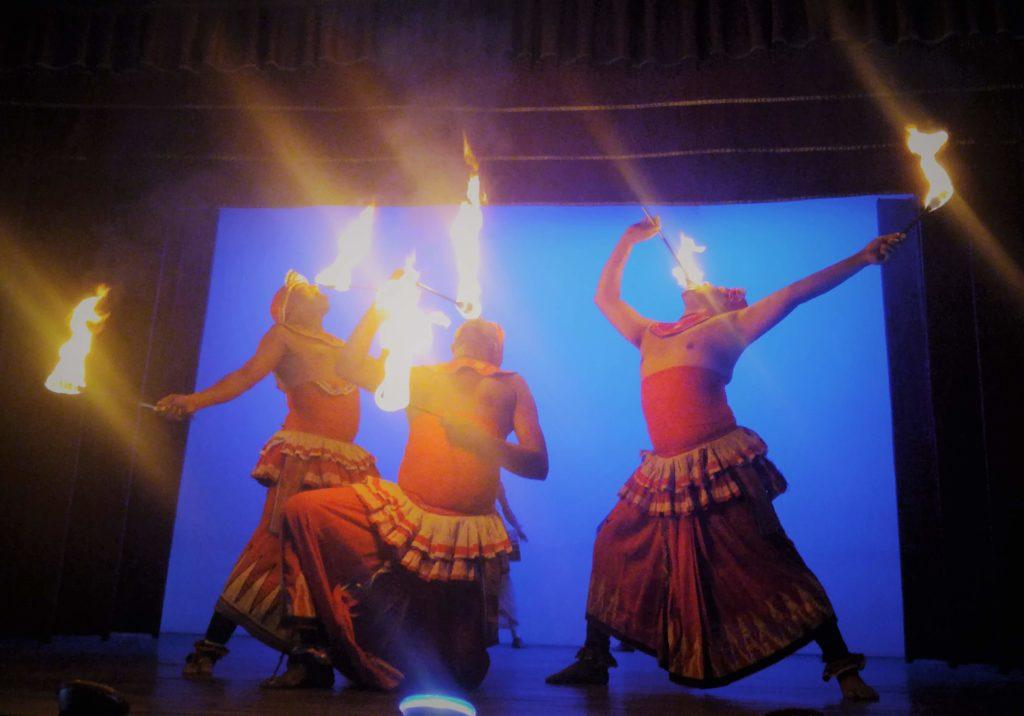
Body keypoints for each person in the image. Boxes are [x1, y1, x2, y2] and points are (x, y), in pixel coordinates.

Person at [546, 217, 901, 701]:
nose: (698, 280)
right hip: (665, 472)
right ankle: (593, 658)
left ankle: (844, 669)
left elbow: (795, 292)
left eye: (711, 284)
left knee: (769, 556)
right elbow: (604, 299)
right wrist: (627, 240)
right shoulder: (652, 333)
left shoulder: (729, 327)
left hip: (716, 467)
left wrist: (861, 257)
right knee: (612, 539)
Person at [265, 318, 548, 690]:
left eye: (488, 331)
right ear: (455, 343)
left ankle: (401, 639)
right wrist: (381, 309)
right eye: (469, 330)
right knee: (303, 510)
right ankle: (312, 650)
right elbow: (349, 366)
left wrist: (482, 442)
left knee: (463, 671)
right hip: (405, 513)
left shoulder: (510, 383)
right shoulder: (423, 378)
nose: (476, 330)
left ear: (498, 350)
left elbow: (538, 464)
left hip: (462, 534)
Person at [156, 270, 381, 682]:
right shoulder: (283, 336)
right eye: (302, 287)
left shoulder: (342, 347)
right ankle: (214, 645)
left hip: (345, 464)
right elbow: (243, 377)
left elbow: (381, 382)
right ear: (289, 306)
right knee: (278, 546)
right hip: (303, 457)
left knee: (325, 556)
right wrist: (193, 401)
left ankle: (310, 656)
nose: (314, 286)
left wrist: (387, 319)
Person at [496, 481, 528, 649]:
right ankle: (515, 634)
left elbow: (505, 508)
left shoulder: (494, 480)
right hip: (484, 532)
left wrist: (517, 527)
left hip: (494, 533)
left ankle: (516, 634)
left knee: (503, 580)